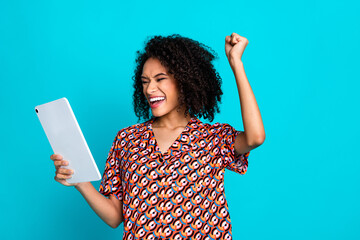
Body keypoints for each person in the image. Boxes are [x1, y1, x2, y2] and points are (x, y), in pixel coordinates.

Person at [50, 32, 265, 240]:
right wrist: (78, 180)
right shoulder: (127, 140)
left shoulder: (212, 138)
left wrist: (236, 63)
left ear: (184, 80)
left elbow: (255, 137)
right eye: (145, 81)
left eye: (159, 79)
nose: (150, 89)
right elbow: (115, 216)